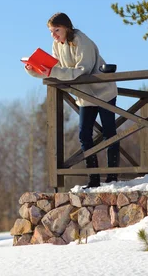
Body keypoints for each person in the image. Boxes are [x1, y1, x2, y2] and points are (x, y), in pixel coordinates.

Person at [25, 12, 119, 188]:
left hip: (103, 91)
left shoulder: (82, 41)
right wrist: (34, 69)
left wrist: (53, 71)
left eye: (57, 30)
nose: (54, 35)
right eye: (51, 31)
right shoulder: (56, 45)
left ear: (67, 27)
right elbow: (57, 70)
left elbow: (81, 71)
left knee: (109, 133)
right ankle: (93, 178)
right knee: (84, 135)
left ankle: (112, 177)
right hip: (84, 95)